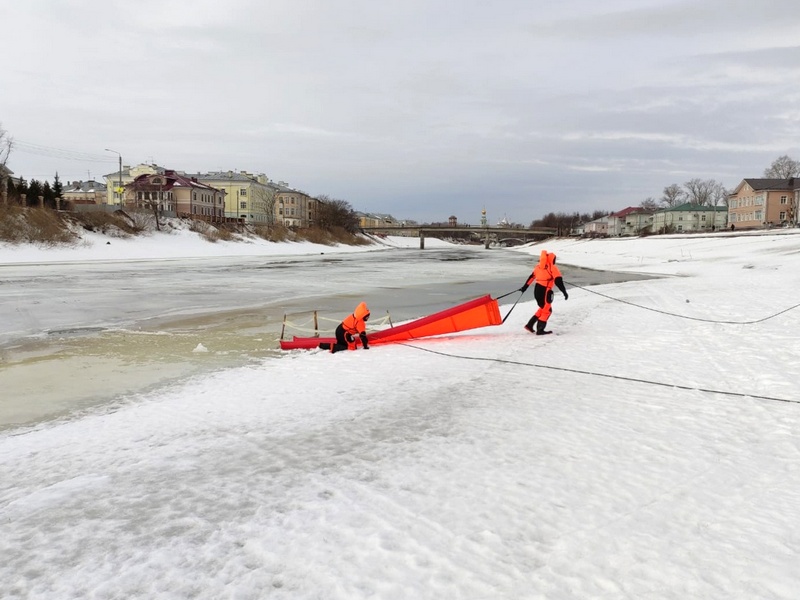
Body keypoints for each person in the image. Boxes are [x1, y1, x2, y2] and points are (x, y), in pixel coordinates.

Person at [519, 250, 568, 335]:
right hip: (545, 292)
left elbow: (531, 277)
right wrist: (564, 292)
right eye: (554, 259)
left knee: (542, 308)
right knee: (547, 311)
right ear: (551, 259)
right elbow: (558, 281)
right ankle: (540, 330)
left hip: (537, 291)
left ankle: (529, 325)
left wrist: (525, 287)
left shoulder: (538, 267)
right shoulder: (552, 267)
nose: (554, 261)